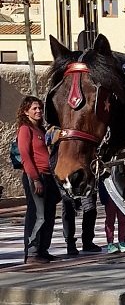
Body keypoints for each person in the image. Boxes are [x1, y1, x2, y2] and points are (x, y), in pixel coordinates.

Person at [16, 96, 58, 263]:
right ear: (26, 112)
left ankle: (42, 250)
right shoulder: (25, 129)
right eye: (34, 108)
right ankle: (32, 253)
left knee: (48, 215)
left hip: (48, 176)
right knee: (37, 215)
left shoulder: (40, 130)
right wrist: (35, 179)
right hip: (36, 177)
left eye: (40, 108)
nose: (38, 111)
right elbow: (25, 156)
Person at [47, 128, 99, 255]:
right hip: (65, 174)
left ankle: (87, 241)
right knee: (68, 208)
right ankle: (70, 243)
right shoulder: (54, 131)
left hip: (84, 173)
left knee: (90, 208)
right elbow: (50, 148)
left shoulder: (82, 127)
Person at [98, 182, 125, 253]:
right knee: (110, 220)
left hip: (121, 196)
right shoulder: (104, 172)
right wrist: (103, 198)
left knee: (122, 219)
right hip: (109, 196)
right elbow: (101, 182)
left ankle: (122, 242)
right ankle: (110, 243)